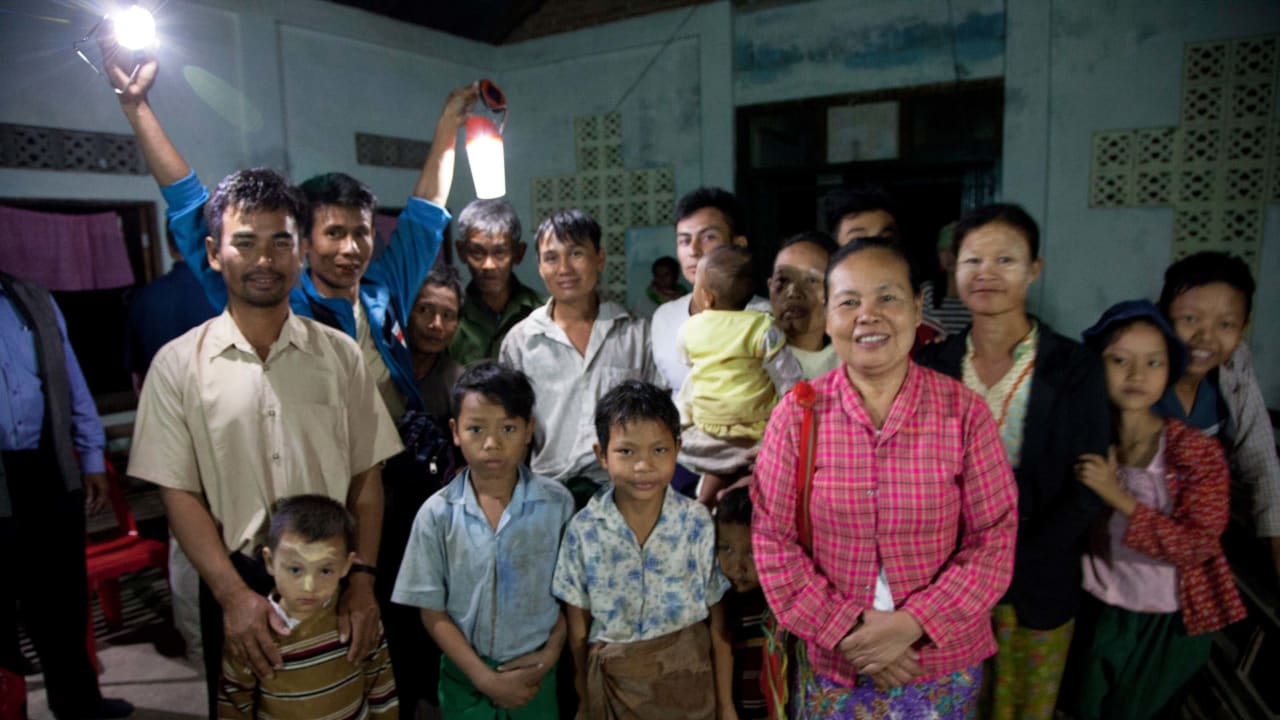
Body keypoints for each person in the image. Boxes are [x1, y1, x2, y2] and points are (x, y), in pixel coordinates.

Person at [127, 168, 403, 718]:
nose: (264, 260)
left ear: (300, 253)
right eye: (245, 242)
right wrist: (233, 596)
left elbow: (366, 478)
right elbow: (178, 495)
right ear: (213, 252)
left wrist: (363, 583)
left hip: (332, 576)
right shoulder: (179, 365)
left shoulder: (339, 355)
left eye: (281, 242)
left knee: (342, 703)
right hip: (238, 578)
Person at [104, 41, 472, 422]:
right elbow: (191, 208)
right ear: (305, 243)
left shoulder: (385, 290)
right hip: (320, 470)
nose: (350, 248)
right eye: (334, 233)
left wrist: (448, 122)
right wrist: (137, 108)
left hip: (398, 469)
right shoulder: (277, 301)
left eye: (360, 233)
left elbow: (426, 211)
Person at [752, 241, 1018, 718]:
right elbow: (774, 542)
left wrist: (913, 624)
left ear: (918, 308)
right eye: (849, 302)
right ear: (828, 316)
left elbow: (994, 539)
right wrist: (850, 631)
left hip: (939, 662)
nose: (867, 316)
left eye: (888, 298)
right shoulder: (797, 415)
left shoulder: (964, 413)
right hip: (838, 661)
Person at [915, 203, 1110, 719]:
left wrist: (1011, 559)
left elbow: (1090, 483)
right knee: (951, 704)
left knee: (1025, 707)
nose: (987, 274)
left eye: (1005, 260)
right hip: (944, 582)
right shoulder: (930, 365)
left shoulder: (1075, 367)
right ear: (952, 270)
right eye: (973, 260)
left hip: (1040, 575)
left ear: (1034, 269)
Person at [1070, 300, 1245, 718]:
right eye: (1120, 360)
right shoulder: (1085, 437)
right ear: (1097, 365)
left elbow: (1197, 545)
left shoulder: (1195, 452)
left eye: (1153, 362)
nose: (1136, 375)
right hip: (1102, 603)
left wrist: (1118, 496)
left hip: (1168, 619)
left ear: (1169, 370)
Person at [394, 362, 574, 719]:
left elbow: (571, 594)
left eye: (508, 428)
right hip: (466, 680)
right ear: (455, 431)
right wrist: (484, 678)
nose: (492, 444)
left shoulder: (558, 505)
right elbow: (431, 609)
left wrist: (552, 652)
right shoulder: (437, 514)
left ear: (528, 430)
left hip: (536, 673)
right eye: (476, 429)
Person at [552, 380, 732, 719]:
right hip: (615, 692)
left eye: (659, 450)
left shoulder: (696, 522)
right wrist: (584, 702)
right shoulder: (584, 530)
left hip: (689, 688)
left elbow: (718, 625)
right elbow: (577, 629)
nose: (643, 465)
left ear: (678, 449)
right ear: (601, 455)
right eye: (627, 451)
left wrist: (726, 705)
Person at [0, 272, 133, 720]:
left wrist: (91, 456)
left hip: (46, 468)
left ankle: (80, 705)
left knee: (62, 602)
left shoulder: (31, 298)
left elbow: (71, 380)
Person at [499, 210, 660, 508]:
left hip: (625, 493)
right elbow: (510, 428)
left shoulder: (636, 334)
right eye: (551, 257)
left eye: (576, 253)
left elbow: (659, 419)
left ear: (599, 258)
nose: (564, 268)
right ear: (538, 265)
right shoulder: (521, 342)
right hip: (545, 494)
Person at [125, 232, 221, 668]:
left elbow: (138, 381)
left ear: (168, 244)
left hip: (172, 434)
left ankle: (199, 648)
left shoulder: (146, 299)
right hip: (224, 433)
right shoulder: (221, 293)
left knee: (184, 546)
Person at [1154, 251, 1280, 578]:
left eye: (1225, 324)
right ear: (1163, 315)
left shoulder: (1234, 364)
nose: (1206, 337)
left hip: (1197, 546)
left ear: (1243, 326)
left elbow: (1261, 458)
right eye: (1191, 319)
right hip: (1138, 547)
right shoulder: (1137, 369)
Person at [218, 495, 398, 719]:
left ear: (346, 566)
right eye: (295, 569)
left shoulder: (357, 618)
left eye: (325, 570)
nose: (309, 586)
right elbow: (233, 705)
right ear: (269, 562)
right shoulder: (254, 633)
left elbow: (381, 687)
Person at [380, 261, 468, 718]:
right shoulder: (379, 370)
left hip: (438, 528)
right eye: (425, 311)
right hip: (383, 522)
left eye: (448, 315)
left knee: (432, 623)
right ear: (406, 313)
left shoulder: (459, 382)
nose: (436, 324)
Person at [677, 246, 800, 506]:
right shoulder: (762, 325)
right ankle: (737, 491)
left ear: (706, 298)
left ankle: (706, 498)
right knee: (763, 455)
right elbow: (787, 374)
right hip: (755, 429)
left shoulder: (690, 328)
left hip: (709, 428)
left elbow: (687, 362)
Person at [651, 188, 769, 399]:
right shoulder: (664, 317)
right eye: (684, 240)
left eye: (708, 237)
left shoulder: (763, 317)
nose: (694, 251)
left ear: (738, 245)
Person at [821, 186, 947, 341]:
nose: (875, 252)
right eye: (858, 242)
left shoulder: (927, 338)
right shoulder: (814, 334)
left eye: (885, 240)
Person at [450, 199, 544, 366]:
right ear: (461, 251)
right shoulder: (448, 317)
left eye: (500, 253)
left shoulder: (546, 312)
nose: (488, 265)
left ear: (518, 253)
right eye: (477, 253)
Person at [715, 487, 768, 720]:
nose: (737, 566)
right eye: (726, 549)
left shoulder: (777, 602)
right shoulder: (722, 602)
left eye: (751, 552)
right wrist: (726, 708)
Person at [767, 231, 838, 380]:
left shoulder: (852, 365)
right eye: (783, 280)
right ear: (770, 287)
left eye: (811, 280)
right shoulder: (742, 353)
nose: (793, 292)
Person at [929, 222, 972, 334]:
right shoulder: (927, 291)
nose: (949, 256)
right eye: (943, 250)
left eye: (954, 250)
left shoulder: (978, 291)